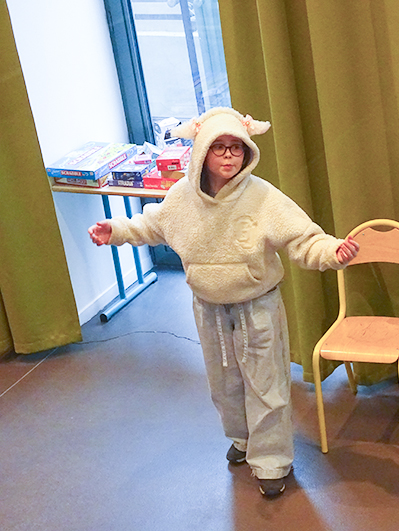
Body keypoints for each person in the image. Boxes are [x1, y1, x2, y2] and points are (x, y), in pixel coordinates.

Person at [89, 107, 359, 497]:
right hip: (209, 310)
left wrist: (334, 251)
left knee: (266, 386)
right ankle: (243, 439)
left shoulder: (263, 197)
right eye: (220, 147)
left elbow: (304, 239)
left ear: (247, 151)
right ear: (202, 151)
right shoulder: (182, 198)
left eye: (237, 147)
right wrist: (115, 230)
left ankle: (271, 462)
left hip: (257, 308)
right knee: (224, 385)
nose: (229, 155)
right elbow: (151, 225)